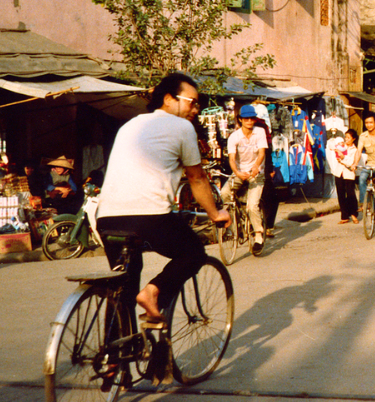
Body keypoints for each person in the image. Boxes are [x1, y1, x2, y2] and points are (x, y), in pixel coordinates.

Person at [96, 73, 230, 324]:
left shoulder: (130, 125)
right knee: (193, 253)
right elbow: (197, 178)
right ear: (168, 99)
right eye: (191, 102)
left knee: (123, 285)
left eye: (198, 104)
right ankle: (153, 293)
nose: (196, 109)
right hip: (149, 217)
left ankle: (116, 348)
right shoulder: (182, 127)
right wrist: (215, 214)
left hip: (106, 218)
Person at [221, 104, 268, 255]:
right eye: (246, 118)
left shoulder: (259, 132)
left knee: (252, 205)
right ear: (240, 119)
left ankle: (258, 235)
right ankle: (233, 225)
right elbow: (232, 159)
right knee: (224, 194)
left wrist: (256, 167)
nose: (249, 121)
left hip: (256, 173)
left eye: (251, 118)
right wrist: (237, 172)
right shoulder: (234, 137)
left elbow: (261, 153)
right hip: (240, 172)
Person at [332, 128, 359, 224]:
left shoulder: (355, 150)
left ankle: (353, 214)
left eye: (348, 138)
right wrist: (343, 159)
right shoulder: (341, 147)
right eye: (345, 137)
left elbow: (352, 162)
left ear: (353, 139)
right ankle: (344, 216)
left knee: (351, 194)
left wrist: (343, 158)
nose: (346, 139)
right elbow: (338, 158)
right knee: (341, 194)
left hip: (349, 174)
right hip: (339, 173)